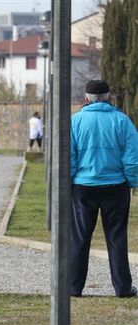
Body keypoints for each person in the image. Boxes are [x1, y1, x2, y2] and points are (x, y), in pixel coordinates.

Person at [70, 79, 138, 298]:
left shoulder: (75, 121)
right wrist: (133, 182)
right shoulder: (122, 121)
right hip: (115, 186)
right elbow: (132, 157)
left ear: (87, 98)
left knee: (80, 237)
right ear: (109, 96)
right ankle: (122, 287)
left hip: (83, 186)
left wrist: (69, 181)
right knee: (117, 236)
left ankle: (73, 286)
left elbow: (69, 156)